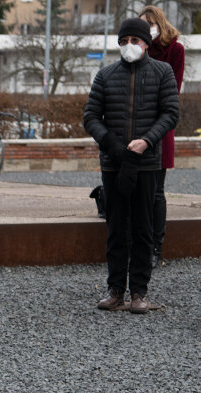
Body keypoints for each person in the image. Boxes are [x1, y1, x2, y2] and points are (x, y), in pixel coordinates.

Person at [84, 17, 179, 314]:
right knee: (115, 229)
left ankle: (139, 292)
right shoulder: (105, 75)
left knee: (142, 229)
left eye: (134, 41)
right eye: (123, 41)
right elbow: (90, 117)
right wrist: (112, 145)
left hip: (147, 163)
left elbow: (170, 113)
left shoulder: (163, 73)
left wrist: (146, 141)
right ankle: (115, 290)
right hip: (114, 165)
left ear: (146, 44)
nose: (129, 46)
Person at [139, 5, 185, 268]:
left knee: (156, 191)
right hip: (135, 127)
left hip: (160, 127)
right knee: (137, 191)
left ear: (159, 23)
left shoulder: (175, 50)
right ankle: (139, 243)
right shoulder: (139, 46)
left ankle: (156, 247)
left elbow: (173, 91)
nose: (147, 29)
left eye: (150, 24)